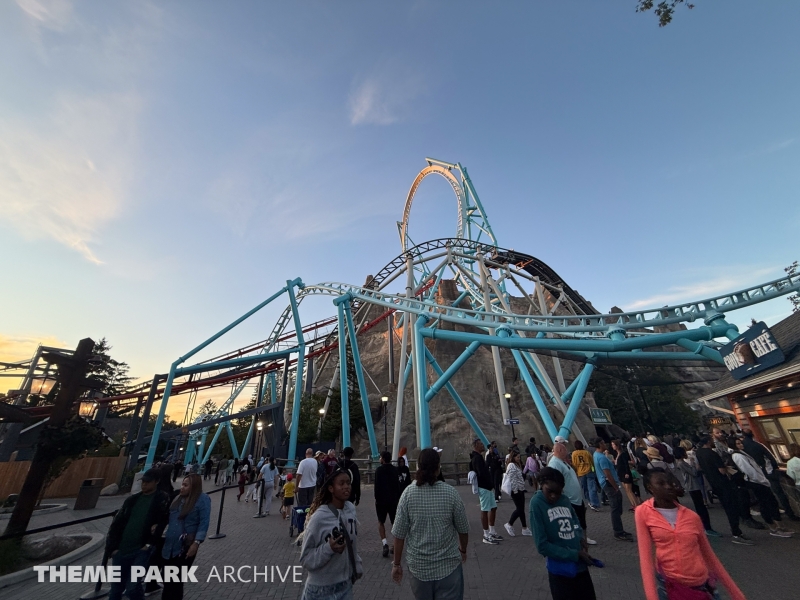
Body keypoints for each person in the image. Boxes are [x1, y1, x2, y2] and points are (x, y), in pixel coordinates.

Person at [635, 468, 746, 600]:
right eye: (661, 483)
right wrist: (651, 596)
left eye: (670, 483)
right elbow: (645, 558)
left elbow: (709, 556)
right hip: (670, 583)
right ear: (650, 488)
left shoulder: (692, 517)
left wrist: (737, 595)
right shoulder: (643, 512)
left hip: (700, 582)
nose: (668, 487)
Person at [391, 447, 470, 600]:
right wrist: (463, 549)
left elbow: (399, 535)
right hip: (449, 566)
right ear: (438, 467)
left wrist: (396, 564)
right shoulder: (451, 493)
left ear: (418, 466)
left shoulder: (408, 494)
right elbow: (463, 529)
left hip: (419, 568)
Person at [530, 467, 597, 600]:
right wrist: (573, 554)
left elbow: (575, 520)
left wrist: (579, 537)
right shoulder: (536, 504)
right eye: (550, 491)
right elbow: (542, 545)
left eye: (558, 492)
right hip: (561, 570)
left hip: (580, 566)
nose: (554, 496)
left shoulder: (565, 500)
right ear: (541, 484)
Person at [105, 468, 170, 600]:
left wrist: (149, 543)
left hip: (141, 549)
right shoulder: (132, 500)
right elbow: (117, 524)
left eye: (148, 481)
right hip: (122, 549)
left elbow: (163, 521)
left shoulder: (161, 499)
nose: (144, 484)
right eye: (143, 481)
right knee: (115, 589)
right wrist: (113, 548)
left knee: (132, 586)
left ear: (156, 481)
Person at [300, 469, 363, 600]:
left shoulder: (351, 509)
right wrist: (329, 548)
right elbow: (306, 558)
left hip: (345, 585)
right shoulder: (319, 518)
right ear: (331, 488)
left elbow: (353, 543)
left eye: (348, 483)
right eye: (341, 483)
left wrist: (357, 565)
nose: (346, 487)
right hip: (320, 589)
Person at [159, 473, 210, 600]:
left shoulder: (202, 499)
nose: (182, 487)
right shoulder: (177, 498)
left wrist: (197, 542)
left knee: (176, 581)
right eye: (182, 484)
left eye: (186, 485)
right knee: (167, 579)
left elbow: (204, 522)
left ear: (194, 486)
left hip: (185, 546)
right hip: (169, 544)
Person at [695, 436, 754, 545]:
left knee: (727, 507)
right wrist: (725, 466)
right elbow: (722, 471)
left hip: (713, 483)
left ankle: (737, 531)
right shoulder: (712, 454)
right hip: (723, 483)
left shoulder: (699, 453)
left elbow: (698, 467)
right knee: (732, 507)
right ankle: (736, 532)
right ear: (708, 442)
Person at [729, 437, 793, 537]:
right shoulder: (737, 456)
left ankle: (779, 526)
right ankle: (774, 528)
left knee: (771, 502)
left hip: (759, 480)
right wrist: (762, 480)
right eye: (737, 443)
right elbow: (749, 470)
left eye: (740, 443)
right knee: (766, 504)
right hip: (756, 482)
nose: (741, 444)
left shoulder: (742, 453)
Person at [742, 429, 799, 521]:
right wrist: (774, 468)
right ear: (752, 435)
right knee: (780, 493)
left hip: (755, 476)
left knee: (763, 497)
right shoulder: (759, 445)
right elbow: (771, 458)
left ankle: (772, 515)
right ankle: (789, 513)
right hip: (768, 472)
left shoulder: (742, 448)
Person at [549, 442, 596, 545]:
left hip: (576, 499)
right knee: (575, 521)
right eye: (565, 449)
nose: (567, 452)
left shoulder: (562, 461)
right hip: (569, 500)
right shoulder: (555, 464)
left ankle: (583, 538)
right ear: (560, 450)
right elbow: (555, 483)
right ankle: (579, 540)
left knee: (581, 520)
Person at [673, 446, 720, 537]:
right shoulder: (681, 463)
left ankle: (706, 526)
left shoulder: (680, 463)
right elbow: (694, 472)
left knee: (700, 506)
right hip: (693, 486)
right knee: (700, 507)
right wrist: (694, 464)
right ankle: (706, 527)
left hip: (692, 485)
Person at [593, 438, 633, 541]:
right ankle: (618, 531)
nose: (605, 444)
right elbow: (607, 473)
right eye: (602, 442)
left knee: (617, 504)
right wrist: (615, 487)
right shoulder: (601, 457)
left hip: (606, 483)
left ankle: (619, 529)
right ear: (599, 444)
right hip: (609, 484)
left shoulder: (597, 455)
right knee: (615, 507)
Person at [470, 439, 502, 544]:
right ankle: (486, 534)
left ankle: (492, 531)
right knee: (485, 509)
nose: (483, 446)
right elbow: (481, 472)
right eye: (480, 444)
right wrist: (488, 460)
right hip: (483, 487)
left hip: (488, 487)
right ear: (476, 446)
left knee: (493, 508)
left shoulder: (478, 457)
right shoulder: (477, 458)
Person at [374, 451, 401, 557]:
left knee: (381, 522)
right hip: (393, 500)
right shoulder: (395, 470)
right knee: (394, 523)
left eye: (380, 457)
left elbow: (377, 486)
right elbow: (397, 486)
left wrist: (377, 498)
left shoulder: (379, 470)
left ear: (383, 459)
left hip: (381, 500)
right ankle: (394, 545)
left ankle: (384, 543)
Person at [503, 450, 531, 537]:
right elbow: (512, 480)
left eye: (519, 457)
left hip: (520, 489)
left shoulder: (516, 465)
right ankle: (509, 524)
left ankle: (524, 528)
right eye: (517, 457)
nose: (519, 459)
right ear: (513, 457)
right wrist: (515, 491)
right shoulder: (511, 465)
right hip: (516, 490)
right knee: (519, 509)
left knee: (521, 509)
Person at [612, 439, 639, 511]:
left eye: (613, 445)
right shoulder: (617, 454)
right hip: (620, 473)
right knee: (627, 490)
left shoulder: (622, 454)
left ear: (617, 445)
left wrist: (627, 472)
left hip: (625, 473)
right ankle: (633, 504)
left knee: (629, 490)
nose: (612, 446)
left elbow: (626, 464)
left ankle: (636, 505)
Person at [571, 440, 599, 511]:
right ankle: (594, 503)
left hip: (580, 473)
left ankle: (589, 501)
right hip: (589, 471)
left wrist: (576, 471)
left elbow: (574, 464)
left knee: (585, 488)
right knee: (592, 488)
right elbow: (591, 461)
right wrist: (593, 469)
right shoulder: (586, 452)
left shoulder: (574, 454)